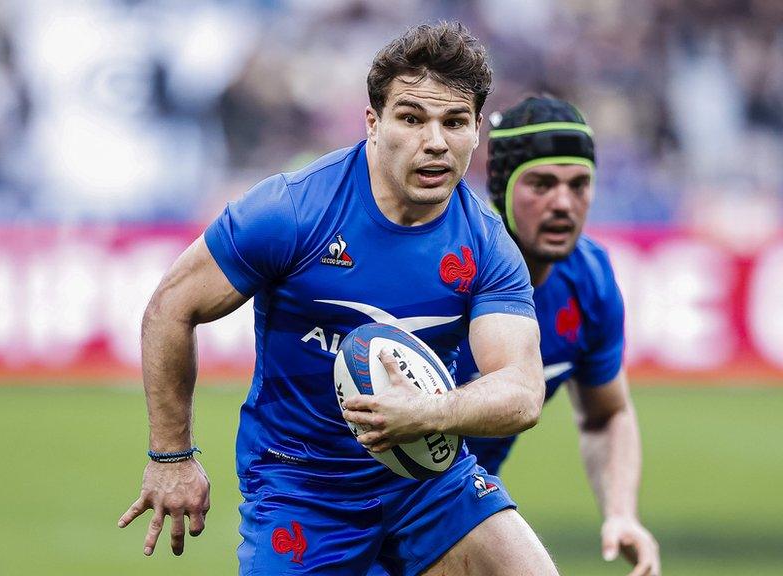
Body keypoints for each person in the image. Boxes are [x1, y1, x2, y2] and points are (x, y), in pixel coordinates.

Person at [120, 22, 560, 575]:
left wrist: (428, 413)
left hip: (427, 481)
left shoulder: (487, 245)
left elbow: (522, 390)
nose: (435, 142)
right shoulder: (295, 210)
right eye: (412, 118)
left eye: (455, 122)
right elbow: (171, 307)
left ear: (476, 131)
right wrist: (171, 456)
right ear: (373, 124)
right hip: (303, 487)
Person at [453, 96, 661, 576]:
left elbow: (605, 416)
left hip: (454, 500)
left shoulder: (590, 279)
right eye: (542, 184)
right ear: (502, 189)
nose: (564, 203)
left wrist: (621, 512)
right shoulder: (444, 267)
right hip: (354, 498)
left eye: (579, 184)